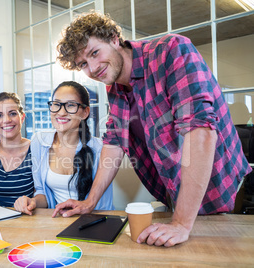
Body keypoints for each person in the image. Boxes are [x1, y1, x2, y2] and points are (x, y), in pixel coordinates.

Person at [53, 11, 252, 247]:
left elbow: (200, 129)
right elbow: (114, 142)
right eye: (83, 64)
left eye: (95, 53)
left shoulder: (172, 51)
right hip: (176, 192)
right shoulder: (115, 88)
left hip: (221, 188)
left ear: (114, 39)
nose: (93, 68)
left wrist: (181, 223)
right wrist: (89, 202)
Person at [14, 81, 113, 215]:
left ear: (85, 112)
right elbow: (42, 192)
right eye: (56, 104)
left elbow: (103, 204)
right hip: (58, 222)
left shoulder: (101, 149)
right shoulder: (39, 142)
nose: (61, 112)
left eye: (71, 105)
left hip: (94, 221)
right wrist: (33, 202)